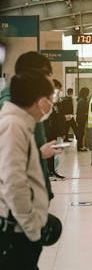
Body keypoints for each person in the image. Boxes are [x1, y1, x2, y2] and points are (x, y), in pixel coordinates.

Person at [0, 70, 54, 269]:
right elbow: (14, 183)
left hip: (19, 229)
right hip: (16, 232)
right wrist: (32, 229)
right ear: (40, 101)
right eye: (51, 98)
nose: (51, 104)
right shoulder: (13, 126)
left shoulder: (20, 125)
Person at [0, 51, 62, 201]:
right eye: (47, 73)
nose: (50, 79)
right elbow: (8, 162)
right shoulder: (10, 105)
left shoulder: (29, 101)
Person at [44, 79, 66, 180]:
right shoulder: (45, 101)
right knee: (48, 153)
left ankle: (52, 171)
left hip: (53, 132)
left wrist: (60, 132)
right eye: (58, 89)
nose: (59, 91)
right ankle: (49, 172)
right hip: (47, 132)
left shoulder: (55, 102)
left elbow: (56, 118)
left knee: (52, 154)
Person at [76, 87, 90, 151]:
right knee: (81, 133)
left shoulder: (81, 99)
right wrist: (86, 115)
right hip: (81, 119)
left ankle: (80, 146)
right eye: (88, 92)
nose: (88, 93)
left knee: (81, 133)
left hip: (80, 119)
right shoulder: (82, 100)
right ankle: (80, 147)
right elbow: (83, 111)